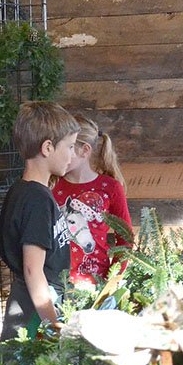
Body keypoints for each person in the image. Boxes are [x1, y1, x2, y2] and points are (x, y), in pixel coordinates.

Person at [0, 101, 79, 341]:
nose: (73, 155)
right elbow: (33, 270)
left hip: (35, 298)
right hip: (33, 308)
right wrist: (53, 325)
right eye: (70, 147)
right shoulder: (36, 199)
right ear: (47, 147)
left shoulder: (28, 191)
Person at [53, 114, 132, 285]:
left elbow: (125, 237)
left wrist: (113, 279)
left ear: (84, 150)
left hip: (97, 282)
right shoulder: (53, 186)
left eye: (68, 147)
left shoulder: (110, 188)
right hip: (58, 284)